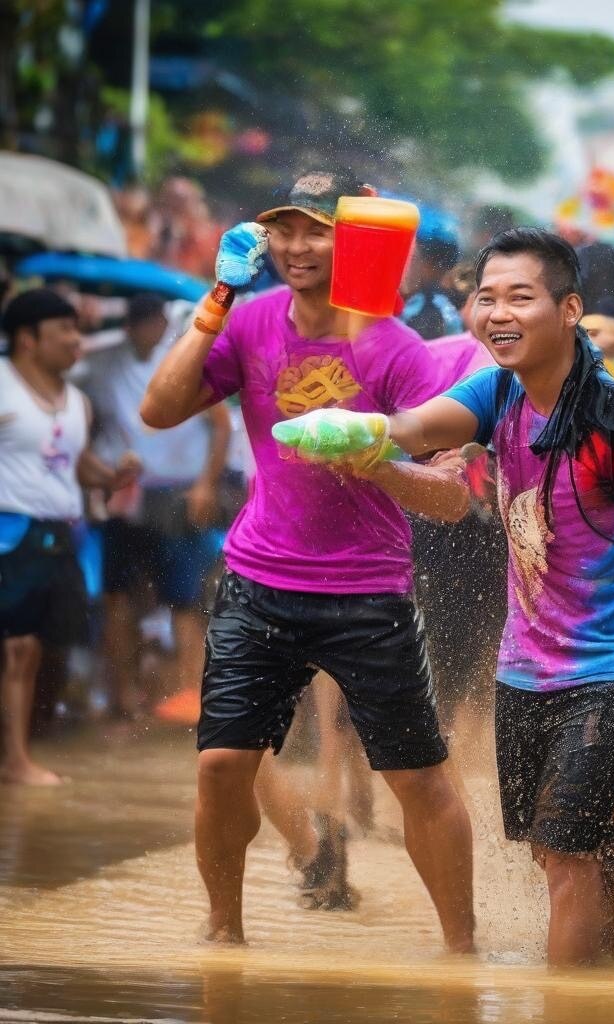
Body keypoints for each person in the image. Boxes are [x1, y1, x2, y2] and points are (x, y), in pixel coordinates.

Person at [275, 227, 614, 967]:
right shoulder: (499, 392)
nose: (496, 312)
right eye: (486, 297)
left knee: (567, 854)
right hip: (525, 672)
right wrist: (360, 429)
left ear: (569, 309)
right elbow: (419, 427)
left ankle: (564, 1008)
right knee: (585, 855)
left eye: (520, 297)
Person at [140, 171, 475, 949]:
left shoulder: (395, 349)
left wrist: (377, 459)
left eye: (317, 230)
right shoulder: (251, 322)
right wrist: (214, 301)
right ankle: (224, 937)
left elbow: (453, 499)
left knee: (418, 779)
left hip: (369, 594)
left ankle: (464, 952)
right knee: (222, 764)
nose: (296, 245)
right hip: (259, 580)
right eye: (284, 229)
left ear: (352, 239)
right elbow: (158, 411)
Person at [0, 289, 138, 784]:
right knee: (18, 650)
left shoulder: (77, 402)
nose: (76, 341)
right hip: (9, 533)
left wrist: (112, 478)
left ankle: (24, 748)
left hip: (60, 537)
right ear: (27, 339)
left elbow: (74, 463)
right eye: (64, 330)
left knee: (52, 647)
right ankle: (15, 761)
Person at [78, 293, 230, 720]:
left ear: (164, 323)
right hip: (126, 492)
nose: (150, 330)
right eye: (142, 323)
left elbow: (220, 425)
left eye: (155, 322)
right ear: (131, 326)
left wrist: (205, 483)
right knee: (117, 596)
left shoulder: (182, 359)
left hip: (177, 492)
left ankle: (190, 696)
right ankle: (126, 697)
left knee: (183, 598)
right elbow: (83, 421)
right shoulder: (104, 364)